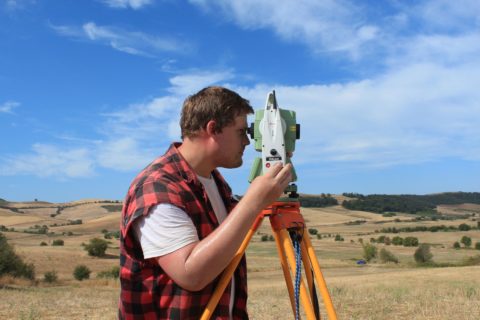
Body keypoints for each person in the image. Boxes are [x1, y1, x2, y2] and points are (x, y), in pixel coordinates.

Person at [118, 86, 292, 319]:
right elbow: (191, 274)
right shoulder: (158, 188)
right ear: (213, 129)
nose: (248, 142)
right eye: (241, 131)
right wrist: (253, 202)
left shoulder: (213, 180)